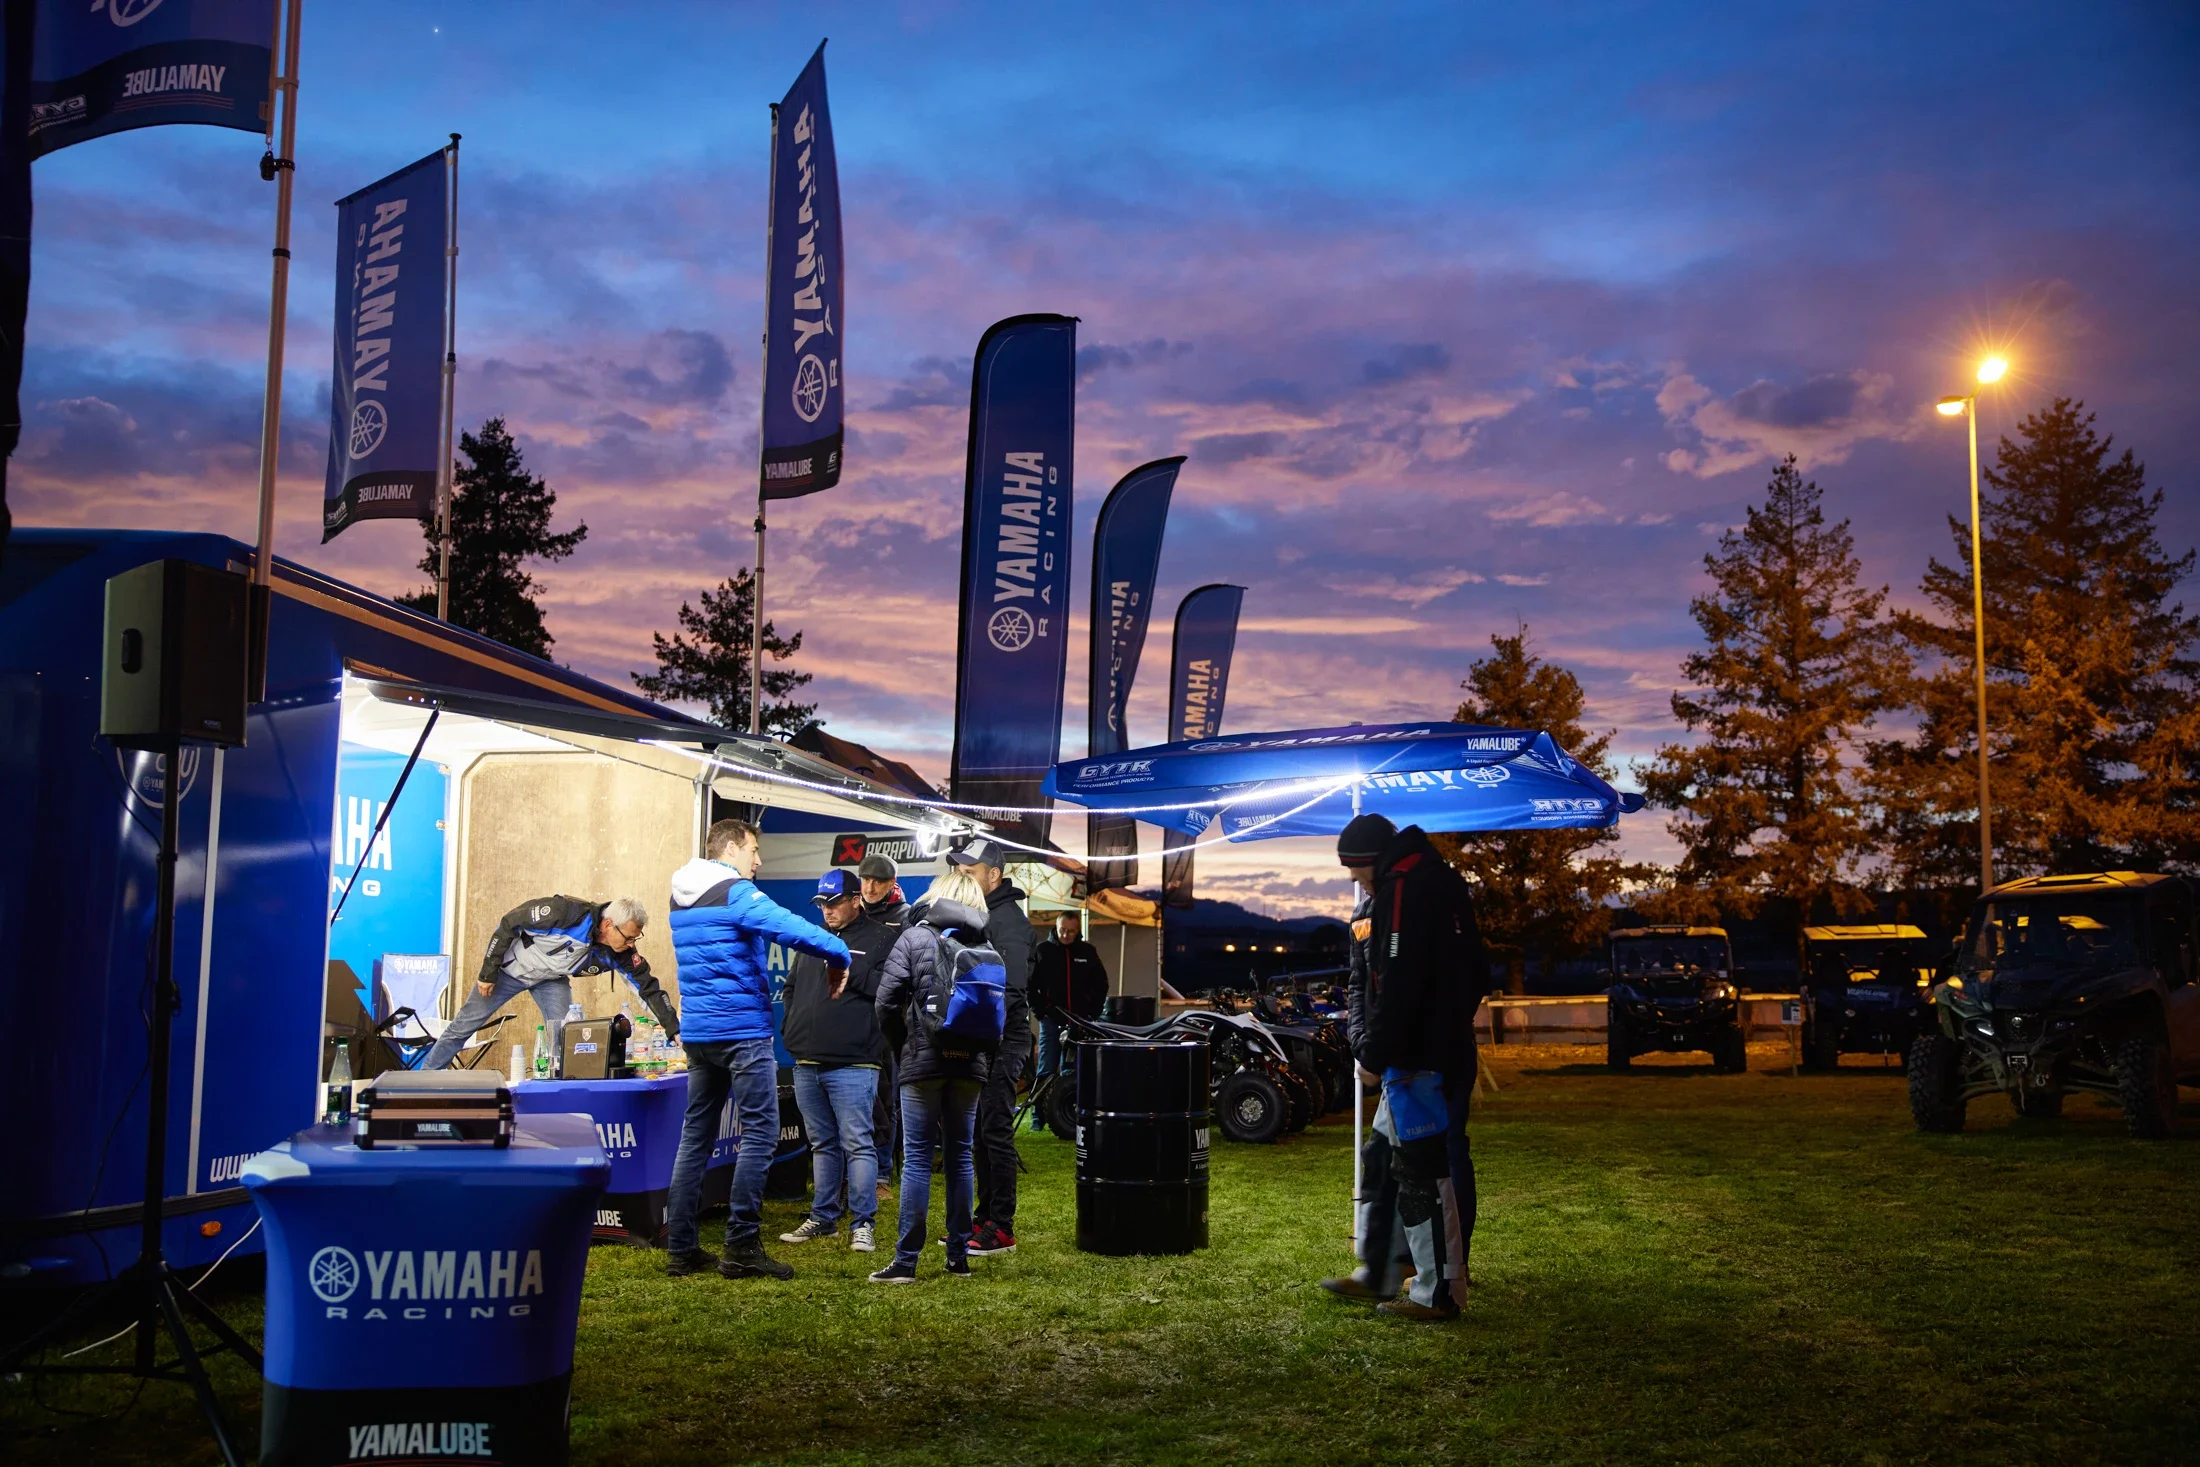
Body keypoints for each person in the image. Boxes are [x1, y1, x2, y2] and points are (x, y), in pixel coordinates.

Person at [661, 818, 850, 1282]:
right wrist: (839, 952)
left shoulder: (679, 896)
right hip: (741, 1032)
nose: (758, 861)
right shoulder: (734, 892)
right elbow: (788, 928)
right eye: (752, 851)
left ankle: (682, 1248)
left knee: (695, 1138)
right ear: (729, 850)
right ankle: (741, 1246)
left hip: (701, 1034)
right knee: (762, 1133)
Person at [1320, 812, 1486, 1321]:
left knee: (1423, 1173)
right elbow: (1474, 970)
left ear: (1370, 861)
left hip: (1418, 1060)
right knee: (1382, 1160)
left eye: (1356, 871)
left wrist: (1376, 1052)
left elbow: (1397, 983)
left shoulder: (1405, 891)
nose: (1355, 882)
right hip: (1421, 1054)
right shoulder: (1431, 882)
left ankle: (1438, 1293)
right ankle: (1381, 1272)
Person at [868, 868, 1000, 1283]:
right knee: (961, 1154)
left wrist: (901, 1046)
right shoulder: (984, 941)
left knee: (918, 1158)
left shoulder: (916, 936)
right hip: (970, 1064)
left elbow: (886, 1001)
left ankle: (906, 1261)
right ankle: (958, 1257)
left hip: (923, 1061)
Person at [777, 869, 895, 1254]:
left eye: (834, 902)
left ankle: (863, 1223)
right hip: (807, 1059)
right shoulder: (813, 940)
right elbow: (792, 987)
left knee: (858, 1144)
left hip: (854, 1061)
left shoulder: (882, 938)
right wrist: (791, 1028)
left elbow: (889, 992)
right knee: (822, 1144)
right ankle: (824, 1218)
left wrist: (847, 966)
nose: (827, 910)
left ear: (855, 899)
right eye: (821, 903)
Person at [422, 895, 672, 1070]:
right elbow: (509, 923)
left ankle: (561, 1088)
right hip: (509, 972)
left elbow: (648, 988)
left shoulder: (622, 952)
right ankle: (420, 1083)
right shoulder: (564, 914)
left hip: (551, 980)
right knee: (463, 1027)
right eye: (629, 938)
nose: (632, 945)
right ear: (609, 925)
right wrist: (488, 972)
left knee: (565, 1036)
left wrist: (675, 1029)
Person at [953, 839, 1036, 1254]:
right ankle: (984, 1219)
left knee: (995, 1131)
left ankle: (1002, 1227)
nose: (962, 876)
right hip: (985, 1037)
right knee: (982, 1133)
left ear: (993, 876)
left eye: (970, 871)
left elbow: (1012, 988)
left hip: (1005, 1037)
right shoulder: (981, 917)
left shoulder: (1009, 923)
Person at [1027, 910, 1109, 1128]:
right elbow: (1030, 987)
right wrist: (1041, 1012)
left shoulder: (1088, 952)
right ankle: (1038, 1117)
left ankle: (1068, 1116)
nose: (1066, 935)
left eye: (1071, 932)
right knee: (1045, 1068)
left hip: (1080, 1022)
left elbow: (1101, 985)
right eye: (1063, 930)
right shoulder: (1042, 951)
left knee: (1071, 1071)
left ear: (1078, 931)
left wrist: (1092, 1014)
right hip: (1051, 1021)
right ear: (1056, 926)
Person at [858, 851, 910, 1185]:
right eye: (866, 880)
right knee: (864, 1095)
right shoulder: (852, 912)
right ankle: (858, 1168)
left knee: (887, 1096)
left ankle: (881, 1172)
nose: (871, 887)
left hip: (892, 1020)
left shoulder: (906, 916)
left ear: (892, 883)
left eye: (878, 881)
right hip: (857, 1017)